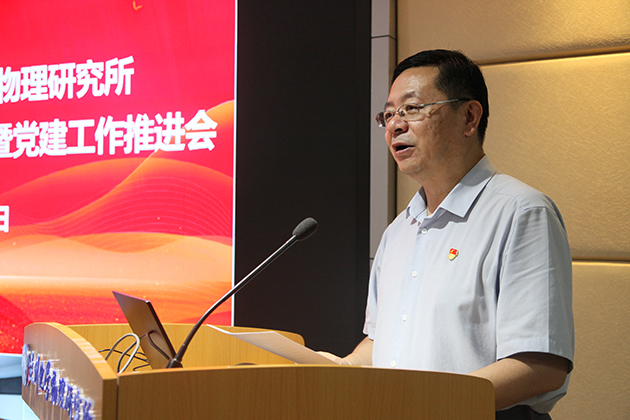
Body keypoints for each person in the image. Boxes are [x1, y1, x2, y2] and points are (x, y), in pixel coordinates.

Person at [320, 50, 574, 419]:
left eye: (412, 109)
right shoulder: (398, 232)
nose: (395, 126)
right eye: (388, 115)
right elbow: (381, 344)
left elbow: (541, 366)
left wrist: (428, 404)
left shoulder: (521, 213)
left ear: (469, 117)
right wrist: (339, 370)